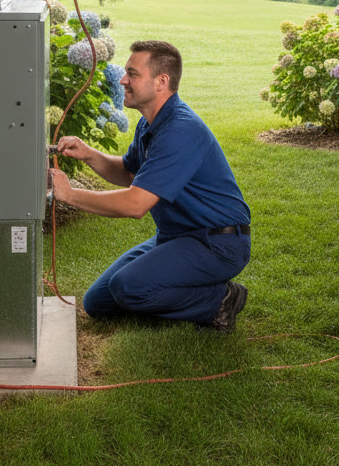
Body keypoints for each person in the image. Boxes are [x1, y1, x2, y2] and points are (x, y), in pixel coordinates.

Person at [49, 40, 251, 332]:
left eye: (132, 73)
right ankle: (172, 288)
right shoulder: (150, 123)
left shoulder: (180, 130)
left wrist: (71, 196)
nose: (123, 80)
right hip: (176, 237)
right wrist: (90, 154)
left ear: (161, 82)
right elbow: (129, 173)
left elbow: (136, 204)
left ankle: (220, 298)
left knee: (128, 288)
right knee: (98, 303)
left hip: (217, 243)